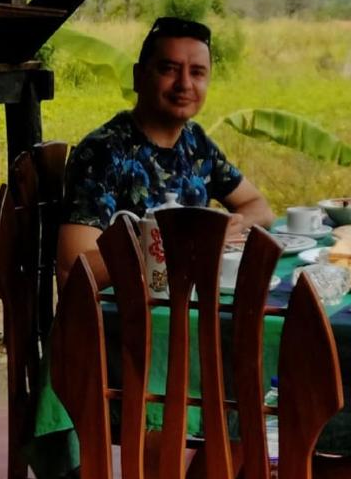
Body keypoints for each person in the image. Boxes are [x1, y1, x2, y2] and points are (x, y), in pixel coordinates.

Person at [56, 16, 274, 289]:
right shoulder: (103, 152)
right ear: (139, 77)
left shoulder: (195, 142)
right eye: (169, 69)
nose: (184, 84)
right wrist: (179, 245)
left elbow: (259, 207)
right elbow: (72, 268)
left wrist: (223, 230)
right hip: (124, 312)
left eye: (197, 73)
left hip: (188, 301)